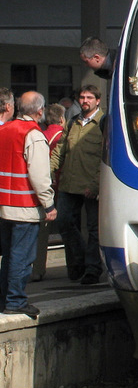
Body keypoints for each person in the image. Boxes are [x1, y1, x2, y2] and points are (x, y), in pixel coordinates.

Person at [0, 92, 57, 318]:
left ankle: (4, 298)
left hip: (4, 204)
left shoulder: (4, 129)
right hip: (24, 206)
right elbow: (40, 176)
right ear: (40, 111)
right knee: (22, 258)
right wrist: (49, 204)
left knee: (8, 256)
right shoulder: (33, 134)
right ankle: (16, 301)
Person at [50, 85, 104, 284]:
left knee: (93, 229)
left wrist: (96, 184)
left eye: (89, 97)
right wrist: (49, 170)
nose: (85, 101)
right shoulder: (73, 122)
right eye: (82, 97)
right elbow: (60, 149)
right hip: (69, 184)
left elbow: (106, 157)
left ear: (97, 100)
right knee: (64, 222)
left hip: (91, 186)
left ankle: (92, 269)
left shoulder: (104, 123)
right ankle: (78, 262)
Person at [33, 103, 66, 282]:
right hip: (59, 188)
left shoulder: (39, 135)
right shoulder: (61, 136)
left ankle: (37, 269)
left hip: (39, 188)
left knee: (40, 233)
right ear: (62, 118)